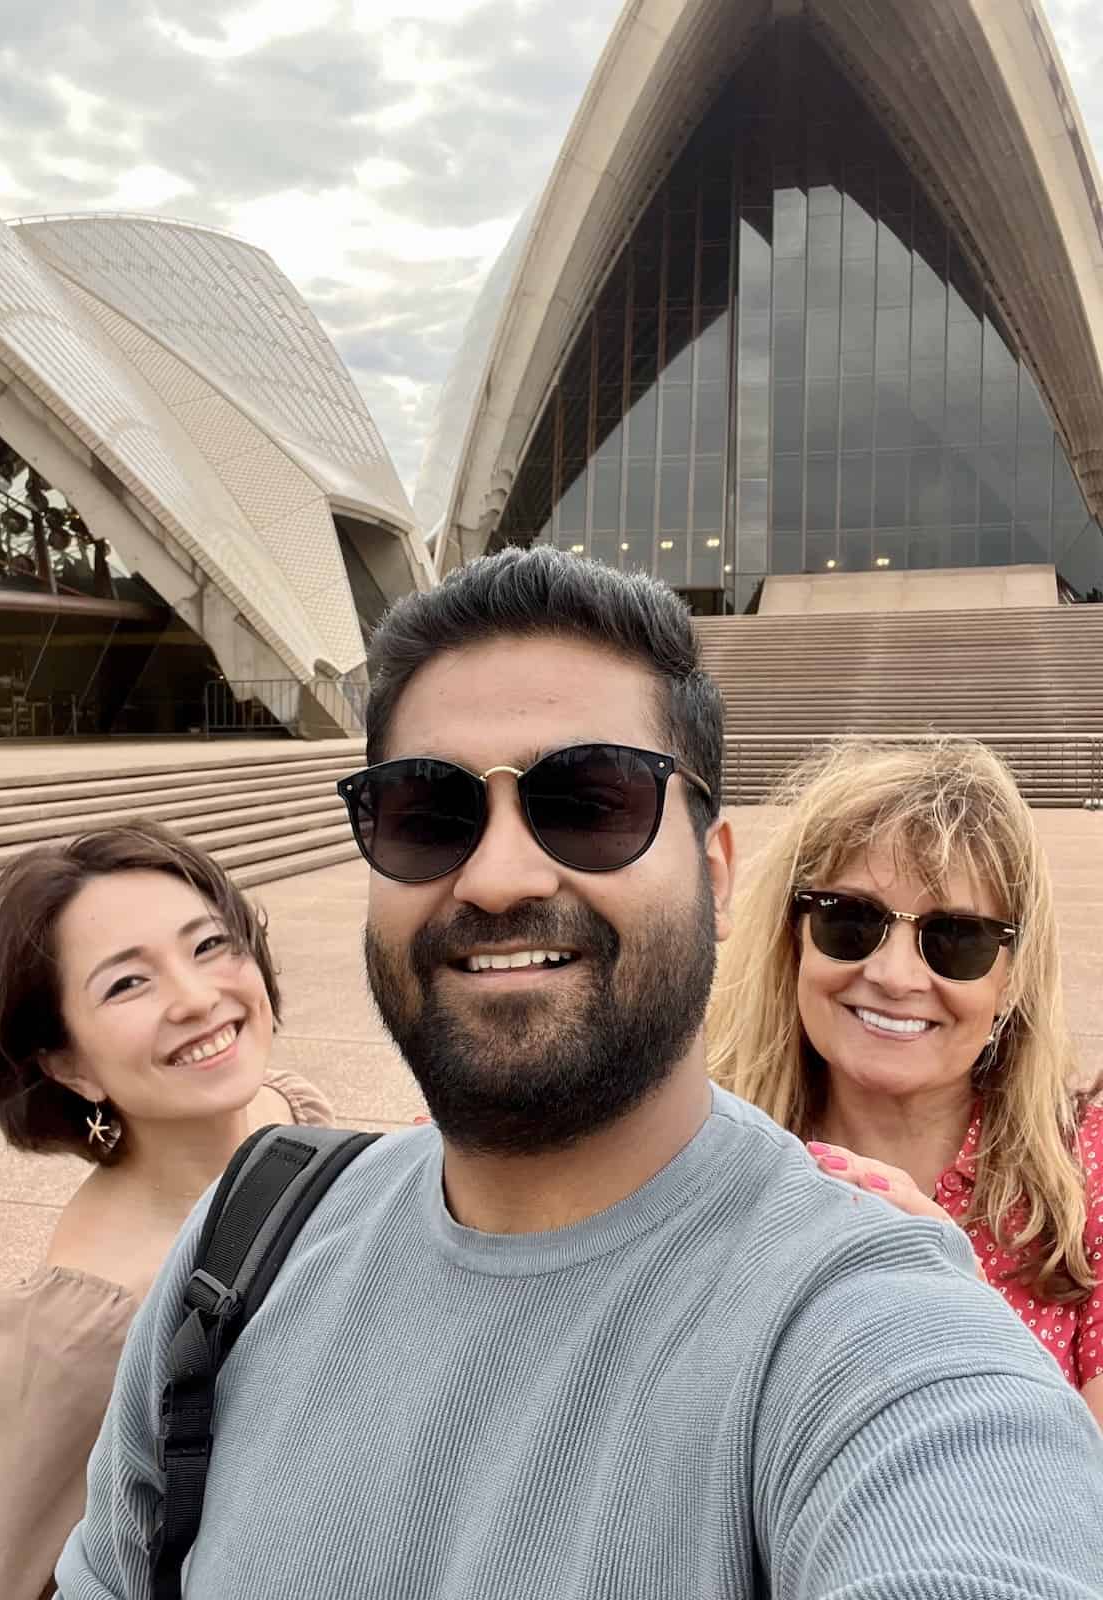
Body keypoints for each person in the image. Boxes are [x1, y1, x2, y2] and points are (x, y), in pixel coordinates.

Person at [57, 548, 1103, 1599]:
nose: (502, 874)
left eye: (592, 800)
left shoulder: (862, 1325)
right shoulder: (247, 1246)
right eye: (427, 811)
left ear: (716, 872)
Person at [0, 821, 333, 1600]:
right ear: (69, 1064)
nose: (197, 997)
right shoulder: (79, 1329)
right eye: (127, 983)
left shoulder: (290, 1119)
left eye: (210, 945)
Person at [708, 737, 1103, 1425]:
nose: (894, 976)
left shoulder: (1088, 1175)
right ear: (792, 939)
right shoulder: (701, 1160)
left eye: (956, 938)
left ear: (1013, 980)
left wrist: (961, 1321)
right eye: (848, 921)